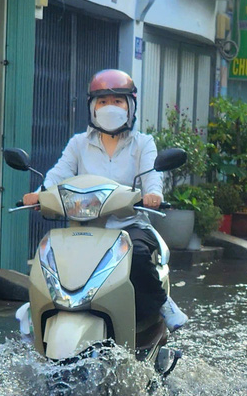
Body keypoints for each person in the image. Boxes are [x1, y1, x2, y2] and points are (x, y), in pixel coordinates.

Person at [22, 69, 187, 330]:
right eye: (103, 102)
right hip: (84, 227)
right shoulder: (79, 143)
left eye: (117, 101)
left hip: (129, 225)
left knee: (139, 255)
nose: (110, 107)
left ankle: (161, 303)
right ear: (93, 108)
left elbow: (152, 177)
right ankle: (37, 312)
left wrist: (153, 195)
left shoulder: (143, 144)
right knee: (50, 256)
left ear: (130, 106)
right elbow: (58, 173)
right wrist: (40, 191)